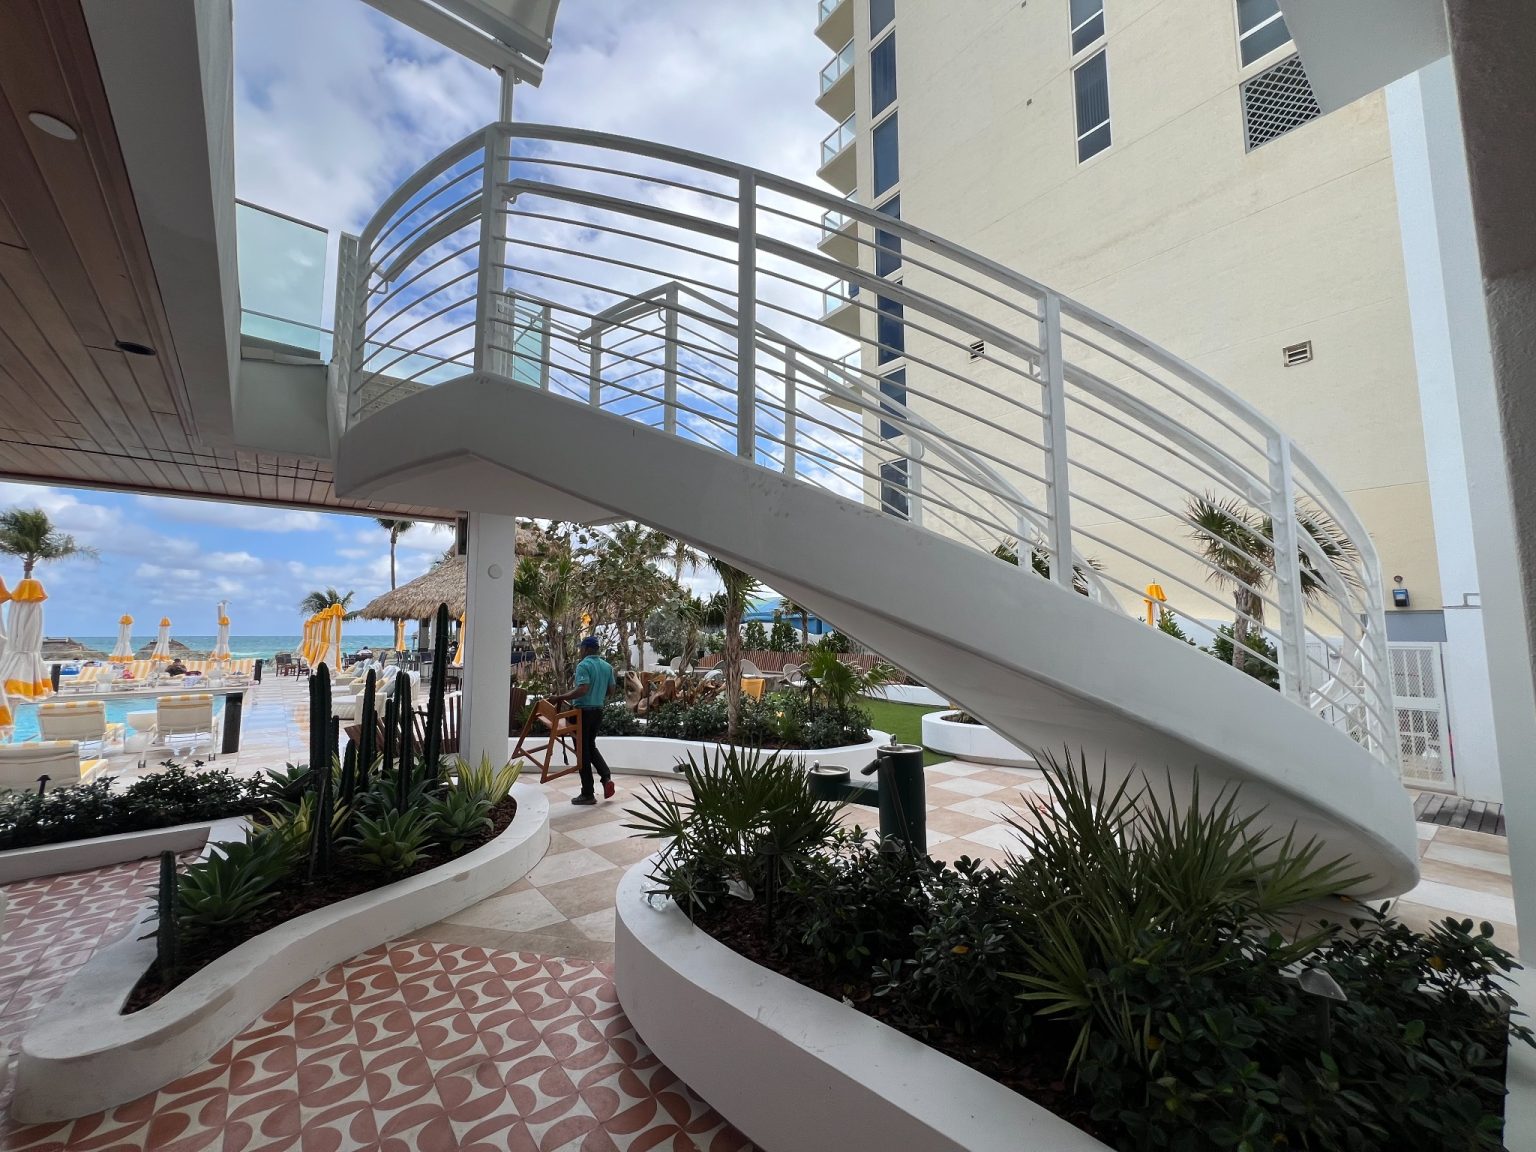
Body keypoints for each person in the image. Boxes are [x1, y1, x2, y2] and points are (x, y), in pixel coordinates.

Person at [550, 636, 616, 806]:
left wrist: (560, 697)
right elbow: (611, 690)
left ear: (586, 649)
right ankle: (606, 778)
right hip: (597, 711)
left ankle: (587, 793)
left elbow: (582, 689)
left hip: (581, 713)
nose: (580, 651)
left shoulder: (584, 665)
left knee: (582, 752)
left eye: (581, 648)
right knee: (590, 746)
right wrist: (598, 692)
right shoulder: (607, 667)